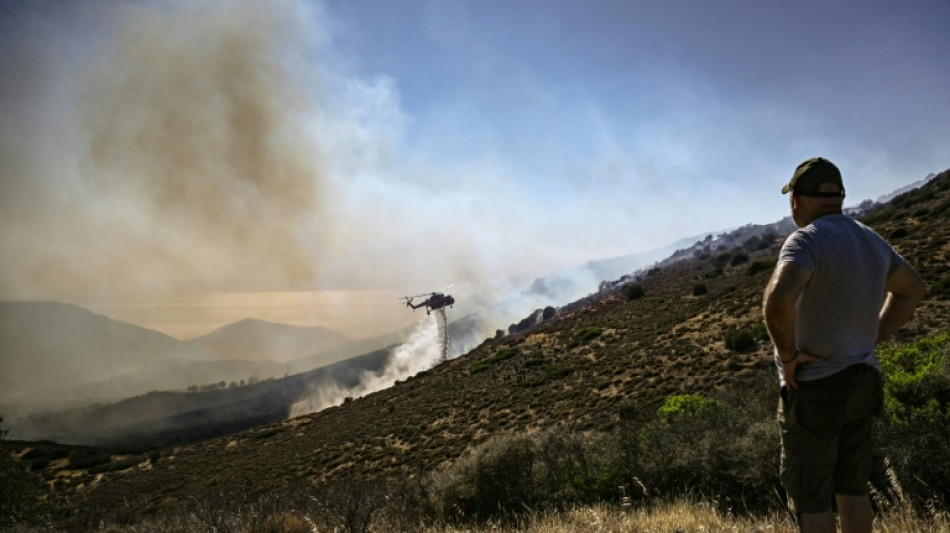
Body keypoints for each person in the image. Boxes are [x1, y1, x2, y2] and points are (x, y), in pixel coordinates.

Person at [762, 157, 926, 533]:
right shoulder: (870, 240)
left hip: (816, 384)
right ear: (840, 197)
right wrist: (872, 337)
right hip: (863, 380)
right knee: (852, 487)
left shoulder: (806, 239)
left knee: (811, 495)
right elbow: (913, 289)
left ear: (795, 200)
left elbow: (779, 300)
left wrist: (788, 357)